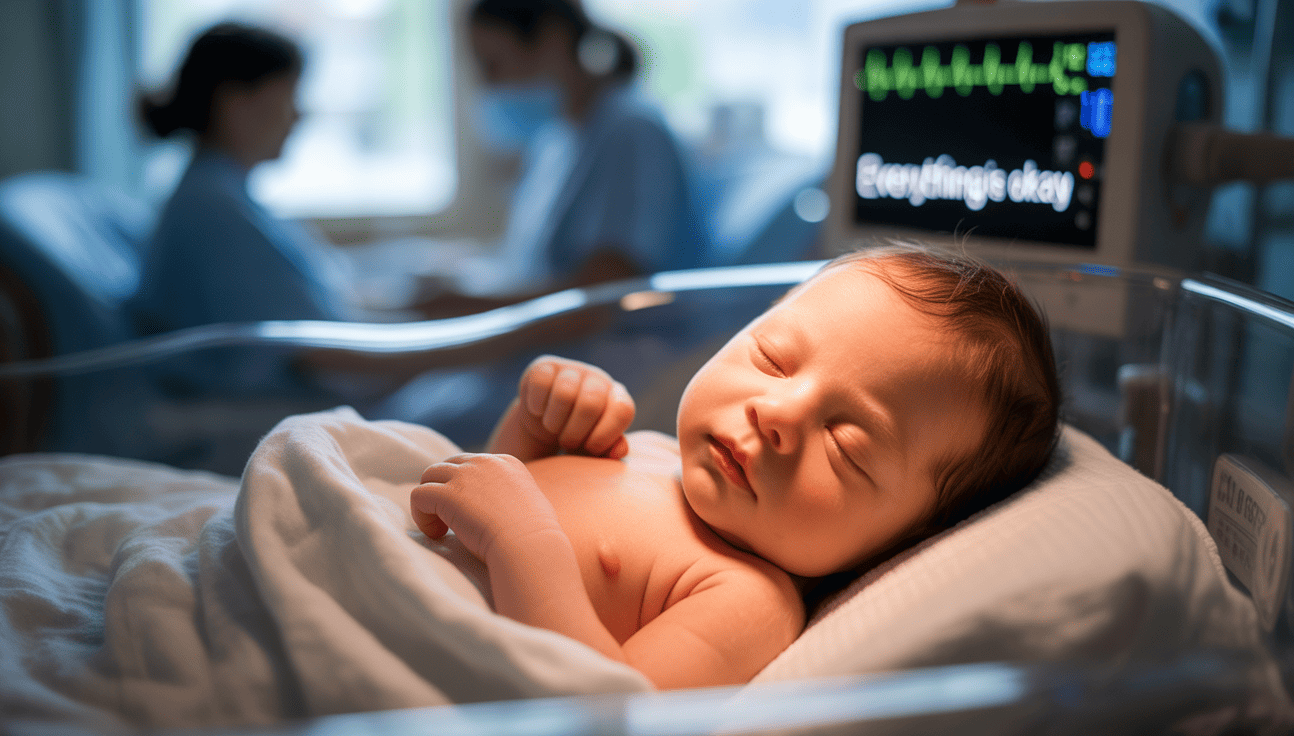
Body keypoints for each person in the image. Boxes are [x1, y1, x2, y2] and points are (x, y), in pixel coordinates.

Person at [409, 243, 1062, 688]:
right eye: (773, 357)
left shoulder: (747, 599)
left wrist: (522, 541)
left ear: (904, 542)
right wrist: (536, 425)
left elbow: (610, 708)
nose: (777, 413)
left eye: (847, 445)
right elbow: (482, 492)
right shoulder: (655, 448)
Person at [409, 0, 708, 316]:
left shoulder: (631, 133)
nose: (487, 85)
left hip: (628, 353)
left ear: (553, 42)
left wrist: (467, 308)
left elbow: (605, 297)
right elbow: (534, 268)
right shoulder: (558, 140)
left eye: (492, 64)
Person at [130, 22, 376, 333]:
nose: (298, 116)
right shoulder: (213, 209)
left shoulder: (217, 194)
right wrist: (454, 344)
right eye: (289, 95)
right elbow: (324, 356)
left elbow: (316, 309)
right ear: (235, 105)